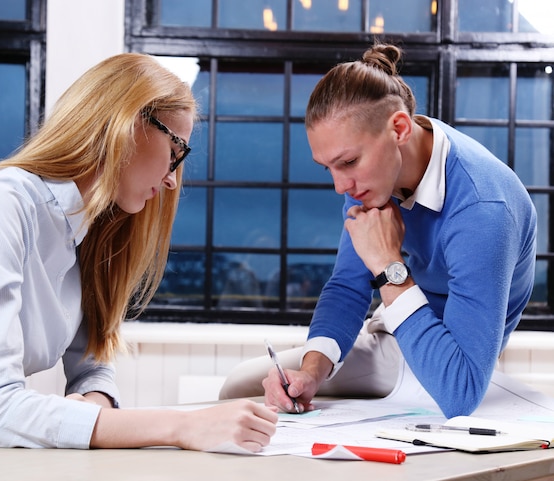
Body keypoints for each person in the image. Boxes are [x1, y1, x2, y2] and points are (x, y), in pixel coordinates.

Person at [0, 53, 277, 451]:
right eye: (177, 149)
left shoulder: (84, 232)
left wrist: (94, 403)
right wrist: (180, 426)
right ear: (127, 125)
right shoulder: (4, 202)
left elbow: (91, 366)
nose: (169, 179)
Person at [219, 42, 537, 419]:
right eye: (329, 168)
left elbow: (460, 389)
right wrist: (311, 371)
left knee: (241, 385)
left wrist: (388, 265)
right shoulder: (374, 177)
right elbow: (347, 286)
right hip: (390, 331)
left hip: (446, 356)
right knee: (244, 386)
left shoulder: (483, 208)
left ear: (399, 128)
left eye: (349, 162)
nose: (340, 186)